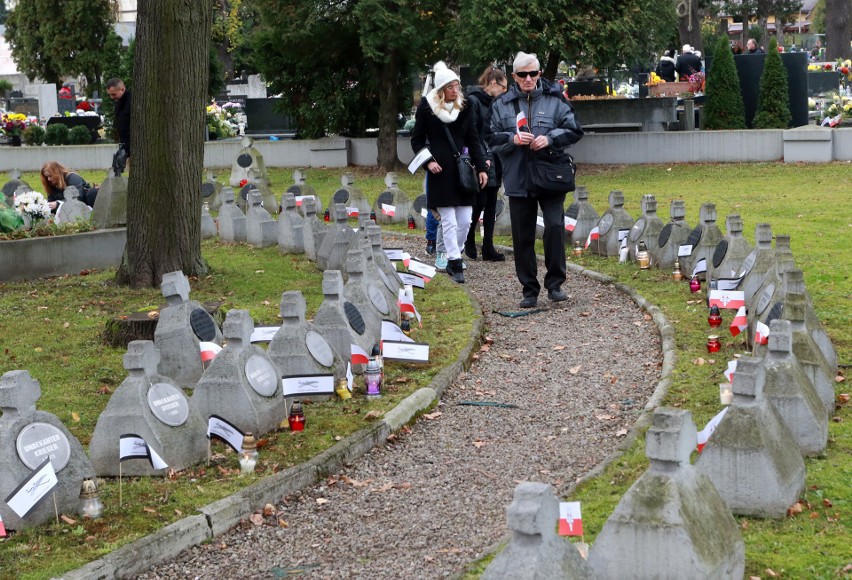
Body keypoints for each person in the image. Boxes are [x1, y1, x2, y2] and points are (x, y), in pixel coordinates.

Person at [489, 52, 583, 308]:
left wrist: (550, 138)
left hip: (551, 176)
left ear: (540, 73)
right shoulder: (502, 104)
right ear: (514, 77)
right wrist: (512, 139)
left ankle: (555, 285)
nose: (528, 78)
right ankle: (529, 289)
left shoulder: (556, 99)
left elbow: (574, 129)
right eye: (522, 74)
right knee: (522, 236)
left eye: (533, 73)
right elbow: (491, 138)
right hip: (518, 177)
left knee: (554, 228)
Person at [411, 61, 488, 283]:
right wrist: (428, 162)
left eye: (458, 86)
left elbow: (473, 139)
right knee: (449, 221)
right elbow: (417, 141)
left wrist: (481, 167)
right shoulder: (427, 107)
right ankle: (455, 263)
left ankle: (457, 253)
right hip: (440, 172)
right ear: (442, 89)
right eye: (451, 87)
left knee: (465, 220)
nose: (456, 90)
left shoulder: (465, 107)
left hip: (463, 170)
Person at [463, 65, 508, 262]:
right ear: (492, 83)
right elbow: (472, 133)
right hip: (481, 158)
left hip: (496, 156)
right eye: (503, 87)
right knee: (479, 202)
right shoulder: (473, 101)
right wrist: (482, 159)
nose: (505, 91)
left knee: (491, 203)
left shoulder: (498, 103)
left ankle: (488, 245)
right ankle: (469, 238)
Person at [106, 78, 131, 173]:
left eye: (114, 94)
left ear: (122, 89)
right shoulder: (119, 104)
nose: (112, 97)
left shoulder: (131, 101)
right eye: (110, 95)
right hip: (125, 145)